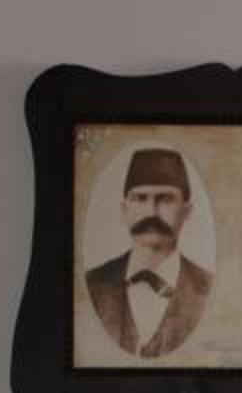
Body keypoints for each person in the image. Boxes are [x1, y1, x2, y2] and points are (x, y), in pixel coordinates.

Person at [83, 146, 212, 359]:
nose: (151, 212)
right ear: (124, 209)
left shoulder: (208, 291)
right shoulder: (92, 285)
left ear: (186, 212)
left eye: (166, 199)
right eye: (140, 198)